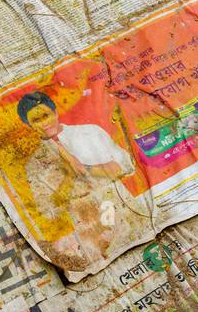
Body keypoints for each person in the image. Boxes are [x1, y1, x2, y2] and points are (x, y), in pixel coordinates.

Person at [17, 90, 134, 269]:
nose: (45, 123)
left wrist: (86, 169)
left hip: (123, 212)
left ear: (55, 112)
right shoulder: (34, 165)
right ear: (29, 125)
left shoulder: (90, 132)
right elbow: (48, 210)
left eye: (46, 115)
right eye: (36, 120)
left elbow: (126, 165)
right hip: (89, 232)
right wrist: (68, 177)